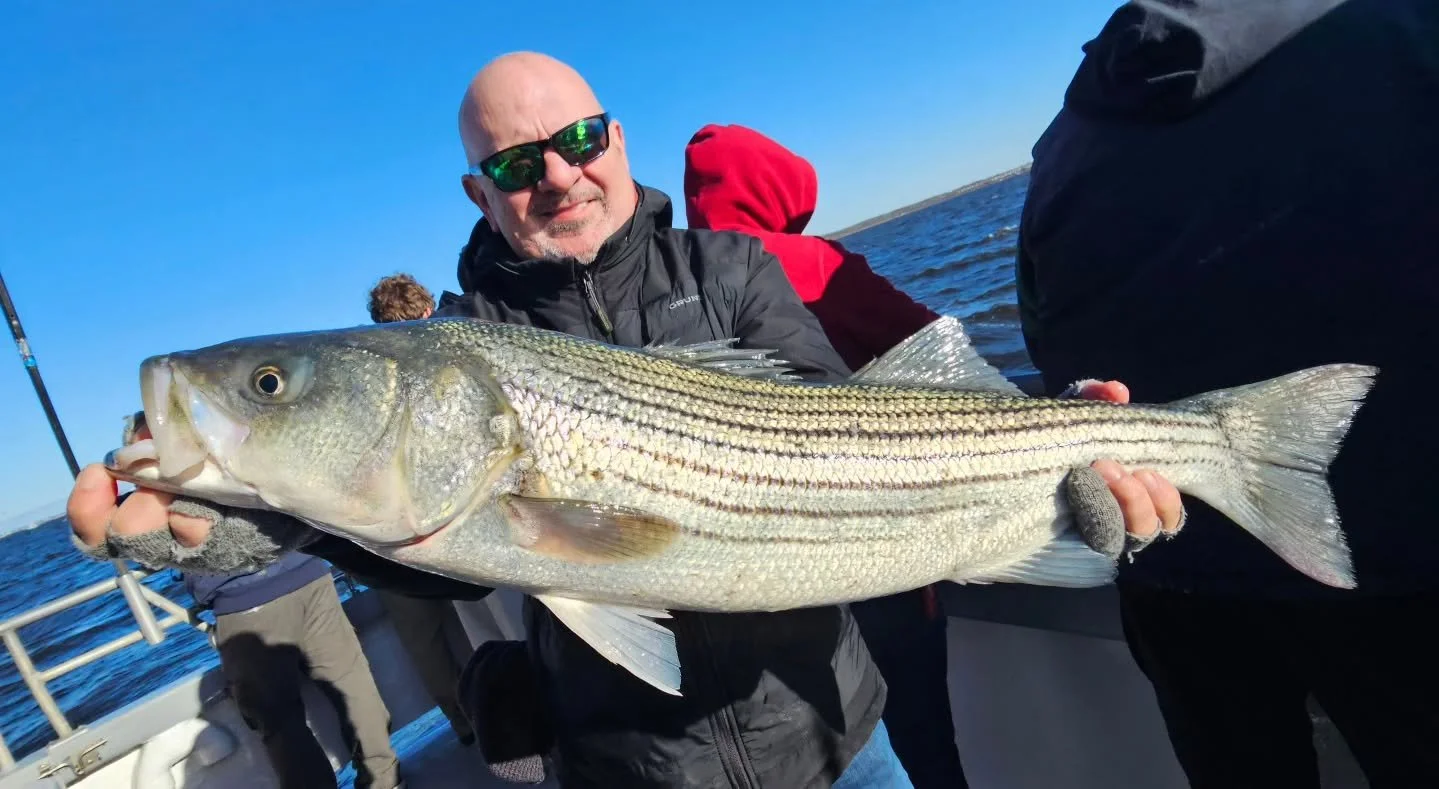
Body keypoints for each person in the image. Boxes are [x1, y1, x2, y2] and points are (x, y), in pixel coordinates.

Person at [68, 51, 1185, 789]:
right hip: (629, 766)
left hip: (835, 740)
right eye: (516, 163)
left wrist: (1057, 469)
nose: (558, 176)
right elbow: (434, 553)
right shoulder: (462, 338)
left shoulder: (731, 266)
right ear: (478, 192)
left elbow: (853, 435)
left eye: (581, 138)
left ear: (618, 139)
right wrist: (245, 528)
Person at [1014, 1, 1439, 787]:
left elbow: (1046, 337)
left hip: (1170, 569)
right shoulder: (1396, 29)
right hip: (1401, 546)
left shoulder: (1062, 144)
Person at [683, 122, 965, 788]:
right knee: (926, 744)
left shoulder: (690, 294)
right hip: (879, 548)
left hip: (775, 583)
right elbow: (944, 361)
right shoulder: (813, 263)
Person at [364, 272, 477, 748]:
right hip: (463, 528)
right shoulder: (473, 329)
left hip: (421, 536)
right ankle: (510, 723)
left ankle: (473, 724)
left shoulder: (378, 370)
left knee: (438, 642)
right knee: (493, 628)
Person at [184, 554, 402, 789]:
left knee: (279, 718)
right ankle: (384, 779)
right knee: (352, 685)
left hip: (239, 599)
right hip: (307, 571)